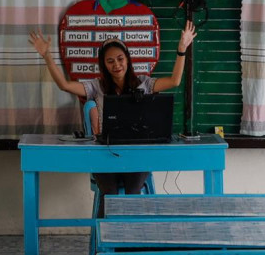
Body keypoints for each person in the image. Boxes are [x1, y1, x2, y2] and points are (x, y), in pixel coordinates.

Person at [28, 20, 196, 198]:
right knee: (110, 195)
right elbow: (64, 85)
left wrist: (182, 48)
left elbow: (174, 81)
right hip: (104, 152)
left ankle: (128, 226)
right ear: (104, 65)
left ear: (127, 59)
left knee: (132, 192)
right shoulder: (96, 86)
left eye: (120, 59)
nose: (116, 65)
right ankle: (106, 226)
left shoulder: (144, 83)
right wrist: (47, 55)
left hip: (136, 153)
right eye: (110, 61)